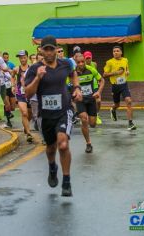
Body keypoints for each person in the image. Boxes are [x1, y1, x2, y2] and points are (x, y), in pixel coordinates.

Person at [25, 35, 82, 197]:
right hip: (45, 115)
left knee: (63, 144)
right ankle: (52, 167)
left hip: (64, 111)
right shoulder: (34, 68)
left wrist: (76, 88)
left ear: (56, 50)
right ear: (41, 51)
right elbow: (28, 94)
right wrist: (38, 78)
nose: (49, 52)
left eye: (52, 49)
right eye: (46, 49)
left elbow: (73, 73)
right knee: (51, 148)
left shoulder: (65, 64)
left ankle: (66, 181)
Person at [75, 54, 105, 153]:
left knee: (92, 124)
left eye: (82, 61)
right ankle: (88, 143)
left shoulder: (91, 69)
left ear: (85, 61)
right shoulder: (73, 73)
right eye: (78, 62)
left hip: (91, 99)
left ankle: (92, 117)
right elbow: (67, 85)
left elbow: (102, 80)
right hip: (80, 100)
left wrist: (99, 92)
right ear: (75, 62)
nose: (81, 64)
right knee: (84, 119)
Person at [103, 46, 137, 131]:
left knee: (129, 101)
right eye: (114, 51)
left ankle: (130, 123)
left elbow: (126, 68)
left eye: (117, 51)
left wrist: (127, 71)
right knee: (117, 104)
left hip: (124, 84)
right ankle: (113, 109)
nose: (115, 52)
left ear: (121, 52)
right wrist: (116, 73)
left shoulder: (125, 60)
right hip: (115, 86)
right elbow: (104, 74)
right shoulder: (109, 62)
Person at [12, 50, 33, 143]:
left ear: (27, 58)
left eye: (24, 57)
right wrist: (13, 86)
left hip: (30, 93)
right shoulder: (16, 69)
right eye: (20, 57)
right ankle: (28, 133)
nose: (22, 59)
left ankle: (26, 125)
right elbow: (12, 76)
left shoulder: (32, 68)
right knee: (24, 113)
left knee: (30, 114)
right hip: (20, 93)